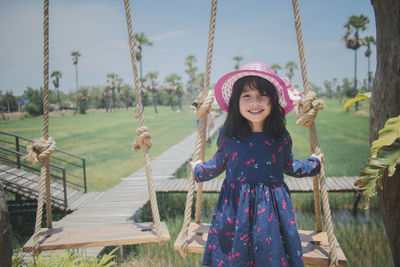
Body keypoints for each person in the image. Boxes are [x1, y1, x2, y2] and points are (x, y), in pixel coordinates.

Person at [190, 62, 323, 267]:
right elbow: (217, 165)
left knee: (269, 255)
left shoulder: (280, 137)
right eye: (247, 96)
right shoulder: (229, 135)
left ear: (273, 100)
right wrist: (198, 169)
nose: (255, 102)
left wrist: (314, 163)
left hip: (271, 210)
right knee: (234, 257)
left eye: (262, 94)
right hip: (235, 210)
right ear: (236, 101)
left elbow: (289, 166)